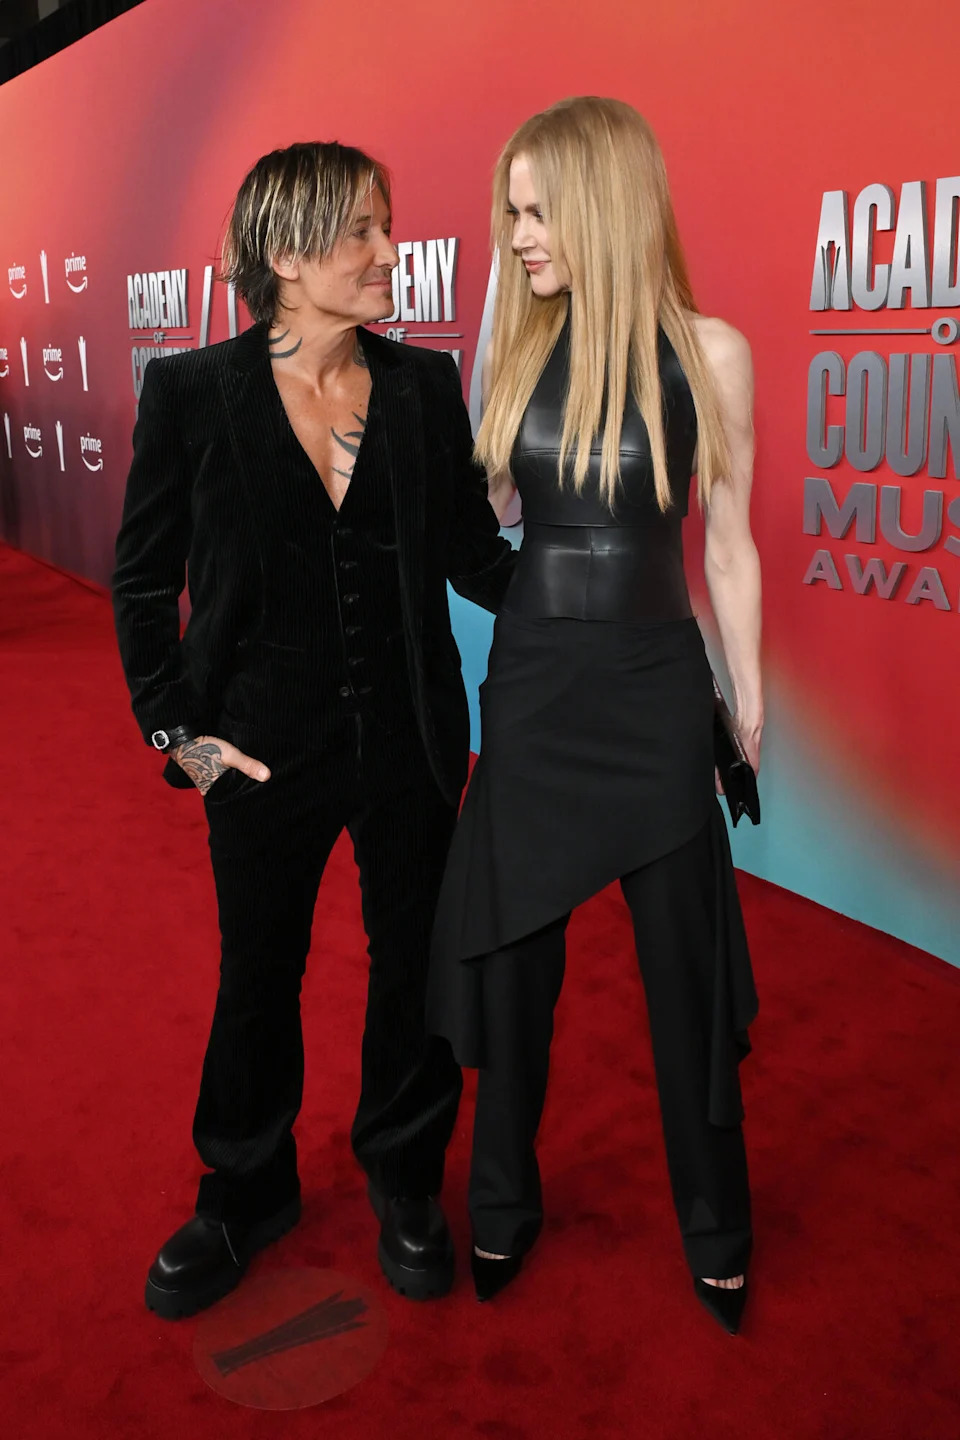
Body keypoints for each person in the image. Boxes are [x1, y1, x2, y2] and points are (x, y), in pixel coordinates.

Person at [112, 141, 515, 1319]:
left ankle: (402, 1175)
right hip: (254, 749)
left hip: (408, 742)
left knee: (414, 970)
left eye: (390, 226)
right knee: (258, 974)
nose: (393, 252)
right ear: (286, 253)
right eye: (364, 233)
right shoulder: (189, 394)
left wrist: (602, 601)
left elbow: (471, 557)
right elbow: (141, 583)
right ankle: (243, 1192)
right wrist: (178, 742)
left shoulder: (425, 390)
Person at [427, 97, 762, 1334]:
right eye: (508, 211)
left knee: (687, 979)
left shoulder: (710, 355)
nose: (515, 235)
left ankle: (717, 1227)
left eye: (534, 210)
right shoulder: (514, 348)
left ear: (603, 202)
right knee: (513, 972)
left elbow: (727, 550)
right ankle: (501, 1209)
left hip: (653, 691)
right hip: (531, 696)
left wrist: (751, 696)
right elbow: (504, 517)